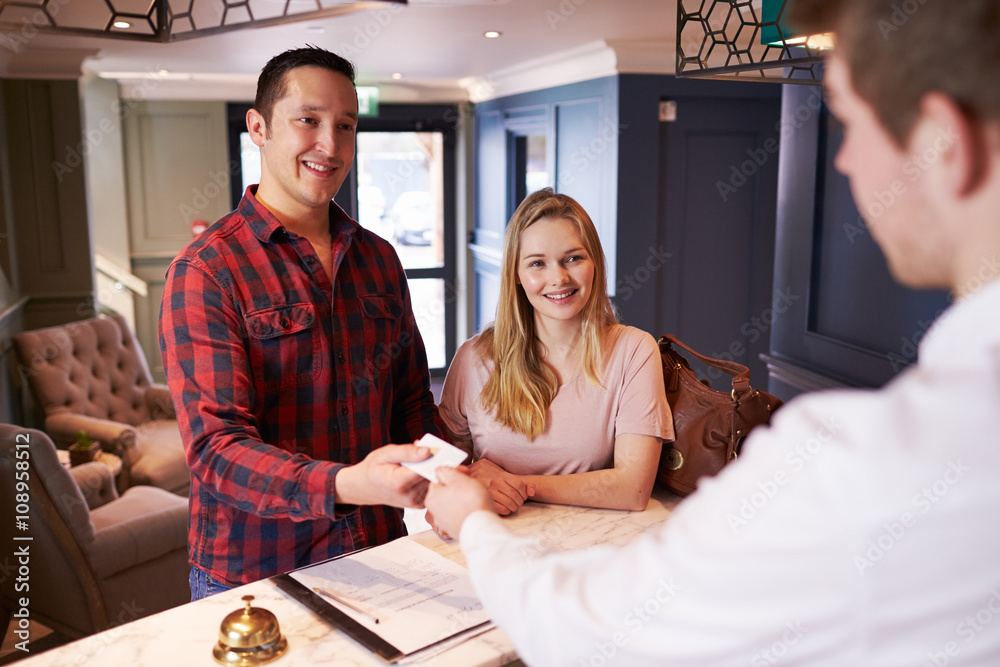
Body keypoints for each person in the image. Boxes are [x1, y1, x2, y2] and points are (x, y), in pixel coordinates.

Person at [425, 1, 1000, 664]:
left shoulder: (871, 465)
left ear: (943, 145)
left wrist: (474, 518)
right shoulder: (478, 356)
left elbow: (593, 634)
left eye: (850, 124)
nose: (842, 165)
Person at [158, 46, 439, 600]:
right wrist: (347, 483)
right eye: (308, 120)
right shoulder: (206, 270)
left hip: (381, 550)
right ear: (259, 127)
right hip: (255, 575)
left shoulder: (379, 258)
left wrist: (459, 472)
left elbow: (411, 404)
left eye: (345, 126)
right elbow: (218, 450)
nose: (329, 146)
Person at [436, 188, 672, 520]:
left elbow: (632, 489)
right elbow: (444, 472)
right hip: (495, 543)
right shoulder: (474, 358)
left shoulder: (633, 350)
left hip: (594, 547)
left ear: (595, 265)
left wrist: (513, 484)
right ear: (516, 276)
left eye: (573, 258)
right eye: (537, 264)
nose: (558, 278)